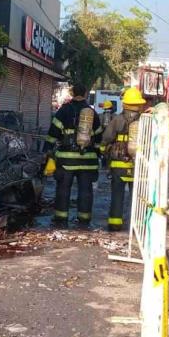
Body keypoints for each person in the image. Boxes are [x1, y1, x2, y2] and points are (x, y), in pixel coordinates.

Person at [44, 84, 101, 225]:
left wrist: (48, 149)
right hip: (88, 161)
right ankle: (84, 218)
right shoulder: (92, 113)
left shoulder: (64, 110)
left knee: (63, 189)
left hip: (66, 161)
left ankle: (61, 217)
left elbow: (53, 133)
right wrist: (98, 153)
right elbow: (99, 136)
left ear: (72, 93)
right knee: (85, 190)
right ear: (86, 93)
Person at [101, 88, 146, 231]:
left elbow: (107, 138)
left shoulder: (117, 119)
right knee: (137, 196)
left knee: (117, 194)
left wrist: (103, 150)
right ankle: (137, 225)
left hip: (118, 163)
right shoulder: (145, 120)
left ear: (125, 103)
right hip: (138, 163)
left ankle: (115, 223)